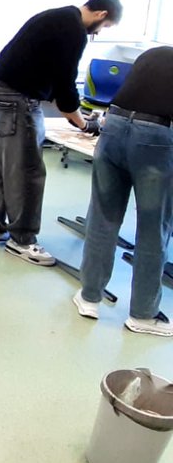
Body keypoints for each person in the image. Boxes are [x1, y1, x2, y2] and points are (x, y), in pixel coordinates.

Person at [0, 0, 123, 265]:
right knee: (27, 170)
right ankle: (22, 240)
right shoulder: (73, 30)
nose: (100, 32)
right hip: (18, 97)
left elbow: (57, 82)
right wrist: (84, 124)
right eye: (105, 26)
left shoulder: (58, 16)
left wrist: (73, 113)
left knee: (3, 164)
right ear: (101, 14)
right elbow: (66, 85)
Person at [72, 46, 173, 337]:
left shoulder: (153, 54)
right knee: (153, 227)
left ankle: (89, 297)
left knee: (103, 217)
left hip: (113, 127)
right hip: (155, 137)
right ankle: (143, 314)